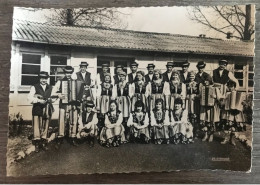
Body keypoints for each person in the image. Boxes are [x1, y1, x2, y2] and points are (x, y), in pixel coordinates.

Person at [51, 66, 79, 148]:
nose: (68, 74)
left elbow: (80, 91)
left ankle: (72, 137)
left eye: (70, 73)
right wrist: (58, 95)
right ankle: (60, 138)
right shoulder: (60, 82)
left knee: (73, 120)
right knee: (62, 121)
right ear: (65, 73)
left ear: (72, 73)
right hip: (63, 104)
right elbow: (53, 92)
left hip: (73, 104)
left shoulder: (76, 82)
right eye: (67, 73)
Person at [27, 71, 54, 152]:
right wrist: (38, 100)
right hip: (37, 109)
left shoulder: (50, 87)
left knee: (46, 125)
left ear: (47, 79)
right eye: (42, 78)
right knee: (37, 126)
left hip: (47, 109)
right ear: (39, 78)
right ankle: (37, 143)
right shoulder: (34, 87)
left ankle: (43, 142)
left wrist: (52, 100)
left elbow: (53, 98)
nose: (44, 80)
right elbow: (29, 98)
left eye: (45, 78)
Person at [220, 80, 246, 145]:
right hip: (228, 112)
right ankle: (226, 138)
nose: (230, 88)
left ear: (234, 87)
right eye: (229, 86)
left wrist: (243, 103)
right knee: (227, 125)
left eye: (232, 87)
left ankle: (232, 139)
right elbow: (222, 102)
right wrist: (223, 102)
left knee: (234, 126)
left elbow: (243, 102)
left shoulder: (239, 94)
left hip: (236, 113)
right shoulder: (227, 94)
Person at [199, 77, 222, 142]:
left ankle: (211, 135)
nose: (205, 82)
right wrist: (199, 97)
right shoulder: (202, 88)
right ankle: (205, 134)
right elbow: (200, 96)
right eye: (205, 81)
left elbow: (219, 97)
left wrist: (215, 96)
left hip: (212, 107)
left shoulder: (215, 88)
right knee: (204, 121)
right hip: (204, 107)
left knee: (211, 121)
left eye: (207, 81)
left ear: (210, 81)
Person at [113, 71, 131, 137]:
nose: (122, 77)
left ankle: (126, 133)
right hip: (119, 100)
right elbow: (114, 94)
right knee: (119, 114)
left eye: (123, 76)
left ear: (125, 77)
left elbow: (130, 93)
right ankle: (119, 133)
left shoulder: (128, 84)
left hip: (126, 100)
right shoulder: (117, 85)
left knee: (125, 115)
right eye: (120, 76)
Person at [185, 71, 200, 137]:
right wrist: (186, 95)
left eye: (193, 76)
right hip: (188, 100)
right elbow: (184, 91)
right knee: (188, 115)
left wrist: (196, 96)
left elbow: (199, 93)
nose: (191, 77)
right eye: (190, 76)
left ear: (195, 77)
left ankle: (195, 131)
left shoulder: (197, 84)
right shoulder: (186, 84)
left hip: (194, 100)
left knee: (194, 115)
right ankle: (188, 131)